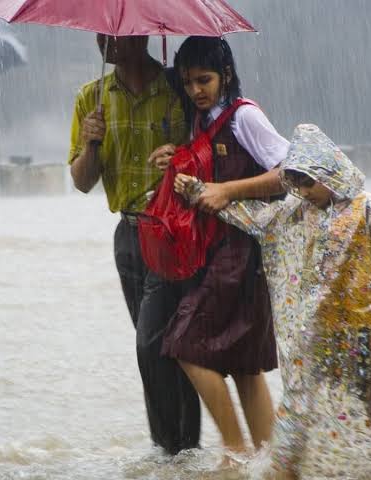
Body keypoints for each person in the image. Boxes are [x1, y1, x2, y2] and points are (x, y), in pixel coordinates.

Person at [175, 123, 371, 479]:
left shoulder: (368, 208)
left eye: (308, 182)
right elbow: (251, 217)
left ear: (328, 170)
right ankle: (283, 472)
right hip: (316, 334)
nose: (302, 191)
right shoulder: (295, 213)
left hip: (363, 332)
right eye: (295, 183)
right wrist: (197, 191)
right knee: (297, 408)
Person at [150, 36, 287, 461]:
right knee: (245, 366)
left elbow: (290, 172)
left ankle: (234, 452)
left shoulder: (245, 117)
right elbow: (203, 173)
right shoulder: (202, 119)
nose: (196, 90)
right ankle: (271, 462)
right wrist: (174, 159)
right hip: (218, 252)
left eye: (205, 79)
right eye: (188, 82)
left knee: (182, 344)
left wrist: (228, 190)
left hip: (242, 253)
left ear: (226, 75)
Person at [67, 34, 201, 454]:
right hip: (128, 235)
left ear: (141, 34)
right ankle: (183, 448)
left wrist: (179, 157)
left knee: (151, 343)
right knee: (163, 344)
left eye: (113, 34)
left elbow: (206, 154)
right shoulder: (92, 98)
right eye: (99, 33)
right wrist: (91, 142)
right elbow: (82, 182)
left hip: (174, 229)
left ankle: (170, 449)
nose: (102, 41)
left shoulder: (177, 89)